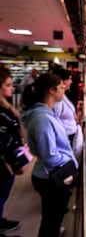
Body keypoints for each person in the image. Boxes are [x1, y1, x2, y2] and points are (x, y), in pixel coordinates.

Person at [21, 73, 78, 237]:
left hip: (48, 174)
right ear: (51, 91)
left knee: (52, 217)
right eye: (61, 87)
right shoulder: (42, 119)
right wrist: (69, 161)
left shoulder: (47, 112)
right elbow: (49, 156)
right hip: (50, 177)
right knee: (51, 220)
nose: (64, 90)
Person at [0, 68, 29, 236]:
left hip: (9, 163)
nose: (12, 88)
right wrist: (9, 164)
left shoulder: (5, 108)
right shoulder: (1, 113)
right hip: (4, 165)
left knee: (2, 196)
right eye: (8, 85)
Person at [51, 68, 78, 144]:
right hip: (64, 138)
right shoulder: (57, 101)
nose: (71, 82)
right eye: (69, 79)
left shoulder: (63, 96)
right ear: (61, 81)